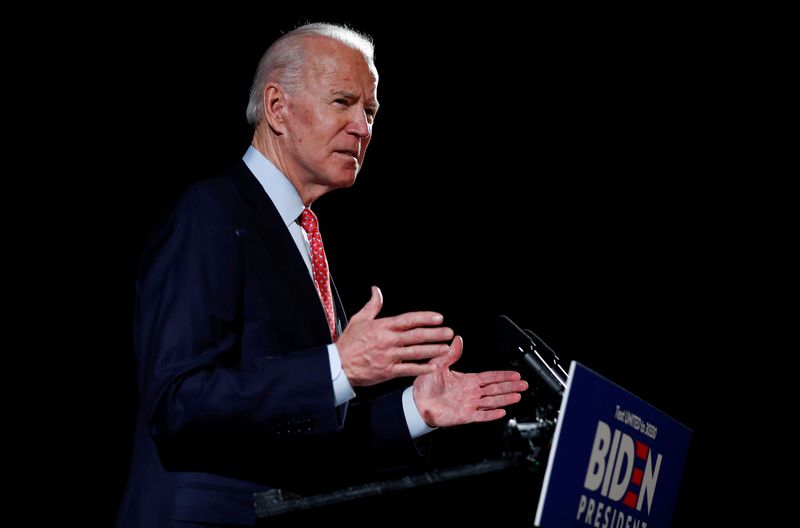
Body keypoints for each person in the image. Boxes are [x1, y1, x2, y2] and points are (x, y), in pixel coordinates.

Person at [116, 22, 527, 527]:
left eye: (371, 111)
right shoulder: (211, 213)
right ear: (276, 108)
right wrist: (339, 367)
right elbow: (177, 404)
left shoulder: (300, 234)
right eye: (342, 102)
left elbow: (300, 429)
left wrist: (415, 409)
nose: (363, 127)